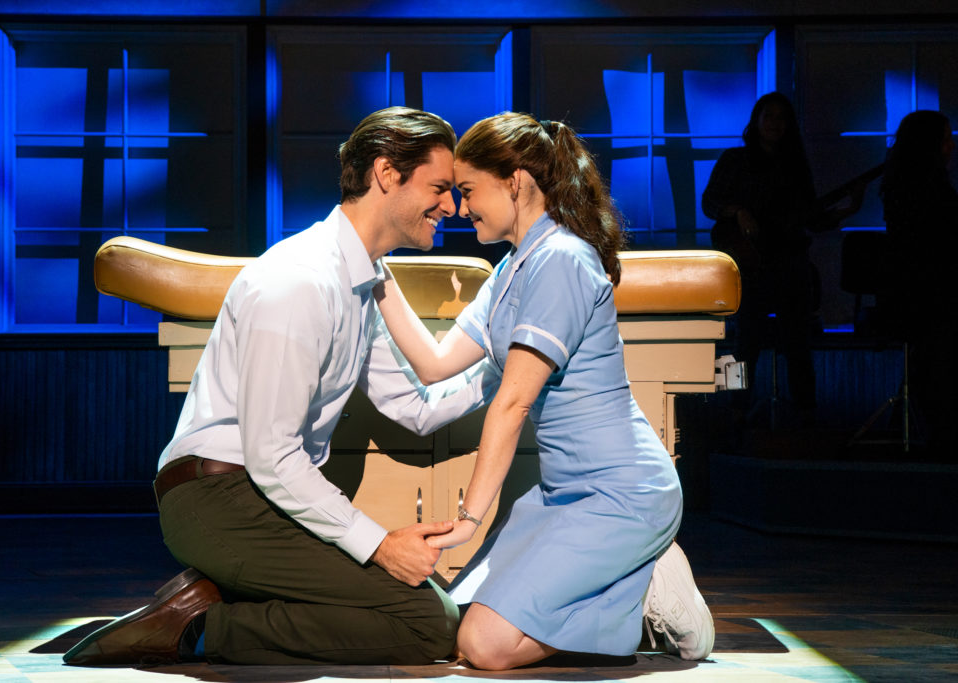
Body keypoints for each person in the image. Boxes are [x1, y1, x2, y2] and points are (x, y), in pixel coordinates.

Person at [63, 107, 499, 667]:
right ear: (387, 174)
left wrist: (509, 365)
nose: (452, 207)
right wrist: (381, 545)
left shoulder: (361, 279)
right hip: (217, 499)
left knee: (430, 616)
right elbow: (271, 455)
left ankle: (217, 599)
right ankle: (197, 626)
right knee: (427, 623)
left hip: (262, 497)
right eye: (439, 188)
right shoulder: (300, 280)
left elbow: (413, 407)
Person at [374, 112, 714, 670]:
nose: (460, 208)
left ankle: (648, 589)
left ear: (514, 180)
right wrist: (374, 268)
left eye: (468, 190)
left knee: (485, 646)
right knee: (454, 625)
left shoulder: (563, 260)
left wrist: (470, 519)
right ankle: (627, 581)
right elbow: (436, 365)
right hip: (562, 496)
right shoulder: (510, 269)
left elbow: (512, 403)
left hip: (622, 494)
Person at [702, 92, 865, 425]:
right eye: (769, 116)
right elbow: (710, 203)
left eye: (782, 118)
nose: (776, 124)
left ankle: (805, 418)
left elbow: (810, 219)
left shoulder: (794, 166)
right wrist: (740, 212)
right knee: (743, 343)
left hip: (790, 262)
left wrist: (848, 209)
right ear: (757, 121)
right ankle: (733, 414)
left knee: (798, 344)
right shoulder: (734, 159)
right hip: (748, 265)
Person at [879, 110, 958, 454]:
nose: (950, 145)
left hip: (914, 290)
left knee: (929, 362)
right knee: (938, 362)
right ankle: (940, 437)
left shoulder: (901, 183)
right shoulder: (930, 187)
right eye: (945, 137)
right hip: (931, 291)